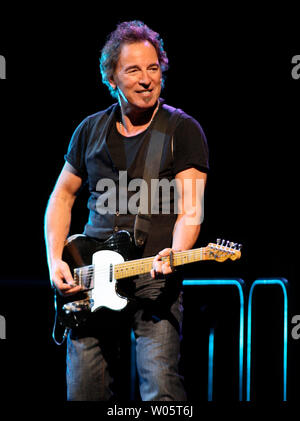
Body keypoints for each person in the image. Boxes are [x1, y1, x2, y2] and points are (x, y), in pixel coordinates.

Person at [44, 20, 209, 401]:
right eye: (133, 69)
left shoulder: (181, 129)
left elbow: (191, 209)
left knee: (161, 392)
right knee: (85, 392)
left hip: (154, 279)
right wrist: (55, 259)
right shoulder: (89, 130)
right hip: (88, 280)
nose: (147, 78)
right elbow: (61, 198)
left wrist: (177, 251)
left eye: (153, 68)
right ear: (111, 79)